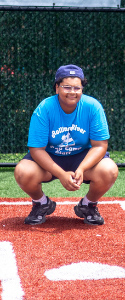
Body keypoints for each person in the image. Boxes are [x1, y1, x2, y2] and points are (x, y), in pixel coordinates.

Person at [14, 64, 119, 226]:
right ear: (57, 88)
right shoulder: (44, 108)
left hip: (82, 158)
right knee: (23, 172)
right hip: (50, 158)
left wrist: (82, 169)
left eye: (77, 87)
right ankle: (41, 203)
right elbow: (36, 149)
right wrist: (61, 174)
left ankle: (88, 206)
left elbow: (100, 145)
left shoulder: (93, 107)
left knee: (109, 169)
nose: (72, 92)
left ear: (82, 88)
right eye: (66, 87)